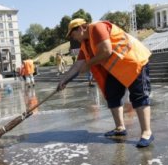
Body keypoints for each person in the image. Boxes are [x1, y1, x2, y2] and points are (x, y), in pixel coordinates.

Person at [57, 18, 154, 148]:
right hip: (117, 68)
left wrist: (88, 64)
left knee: (139, 96)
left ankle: (146, 132)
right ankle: (120, 128)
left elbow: (106, 50)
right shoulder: (85, 45)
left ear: (80, 28)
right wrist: (64, 80)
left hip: (134, 61)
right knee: (111, 93)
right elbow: (77, 65)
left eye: (73, 35)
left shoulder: (97, 28)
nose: (74, 39)